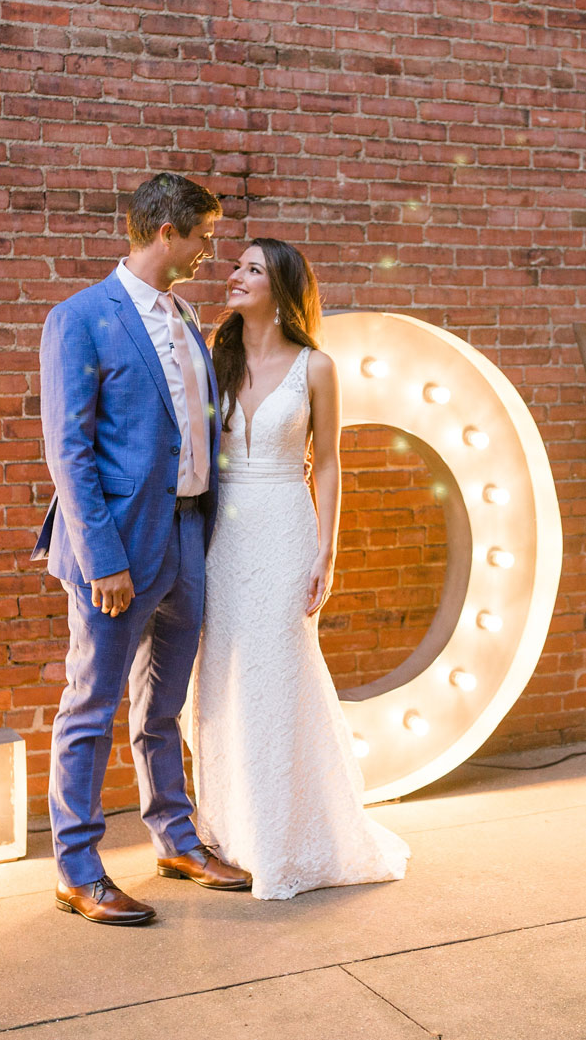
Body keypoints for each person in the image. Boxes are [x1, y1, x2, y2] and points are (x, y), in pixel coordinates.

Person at [32, 173, 251, 927]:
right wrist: (103, 557)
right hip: (118, 548)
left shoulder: (186, 315)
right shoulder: (80, 318)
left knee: (165, 705)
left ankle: (176, 838)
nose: (207, 250)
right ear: (167, 231)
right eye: (203, 235)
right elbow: (70, 449)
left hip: (189, 534)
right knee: (90, 705)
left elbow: (193, 424)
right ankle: (78, 867)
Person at [182, 238, 410, 900]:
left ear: (281, 289)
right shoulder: (211, 355)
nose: (235, 275)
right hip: (222, 534)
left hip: (286, 525)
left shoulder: (316, 366)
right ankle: (230, 831)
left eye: (252, 268)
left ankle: (288, 834)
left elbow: (330, 460)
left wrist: (325, 551)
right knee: (222, 671)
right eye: (235, 265)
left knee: (281, 669)